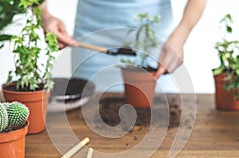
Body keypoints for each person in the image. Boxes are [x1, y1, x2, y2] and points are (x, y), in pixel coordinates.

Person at [40, 0, 207, 92]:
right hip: (92, 38)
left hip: (155, 44)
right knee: (87, 118)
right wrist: (45, 15)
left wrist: (182, 34)